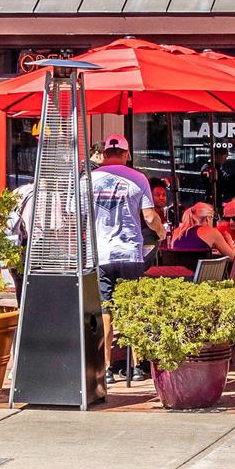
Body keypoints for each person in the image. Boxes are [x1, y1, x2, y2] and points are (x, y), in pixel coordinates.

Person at [90, 136, 165, 376]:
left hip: (102, 254)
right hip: (131, 252)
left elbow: (75, 215)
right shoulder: (138, 178)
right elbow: (151, 218)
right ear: (126, 154)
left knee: (105, 310)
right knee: (133, 306)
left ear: (103, 154)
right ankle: (136, 366)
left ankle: (107, 368)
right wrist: (162, 233)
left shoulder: (88, 180)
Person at [158, 202, 235, 268]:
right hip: (202, 279)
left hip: (179, 279)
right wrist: (229, 241)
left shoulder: (176, 232)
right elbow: (234, 258)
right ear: (208, 218)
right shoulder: (211, 232)